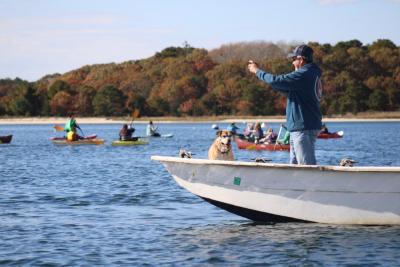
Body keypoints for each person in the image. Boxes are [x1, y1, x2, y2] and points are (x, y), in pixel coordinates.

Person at [248, 44, 322, 165]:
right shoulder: (311, 74)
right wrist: (271, 81)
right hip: (299, 127)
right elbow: (281, 86)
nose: (292, 63)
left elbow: (276, 80)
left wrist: (257, 71)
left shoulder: (304, 74)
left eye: (294, 59)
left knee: (307, 167)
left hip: (303, 127)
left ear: (301, 60)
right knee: (294, 165)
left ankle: (313, 184)